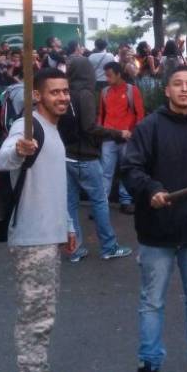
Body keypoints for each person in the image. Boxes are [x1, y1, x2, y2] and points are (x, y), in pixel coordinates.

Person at [121, 66, 187, 372]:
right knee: (152, 301)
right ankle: (149, 361)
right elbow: (131, 169)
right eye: (177, 84)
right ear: (167, 90)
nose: (183, 89)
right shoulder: (149, 127)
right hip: (157, 232)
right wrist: (151, 189)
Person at [0, 68, 77, 372]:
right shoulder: (26, 126)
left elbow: (57, 185)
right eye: (55, 92)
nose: (63, 97)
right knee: (34, 313)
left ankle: (38, 367)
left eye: (65, 91)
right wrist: (17, 149)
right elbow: (1, 160)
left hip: (49, 235)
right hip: (31, 237)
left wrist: (67, 225)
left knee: (45, 310)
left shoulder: (53, 129)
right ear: (37, 96)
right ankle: (30, 370)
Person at [62, 54, 132, 262]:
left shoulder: (65, 93)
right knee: (100, 201)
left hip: (66, 157)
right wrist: (118, 133)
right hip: (86, 157)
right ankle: (109, 247)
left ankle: (74, 250)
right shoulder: (85, 94)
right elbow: (90, 127)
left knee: (71, 205)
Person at [98, 61, 145, 214]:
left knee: (125, 170)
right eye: (106, 75)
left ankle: (125, 201)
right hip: (109, 137)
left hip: (127, 137)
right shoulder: (105, 92)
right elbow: (101, 114)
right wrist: (101, 131)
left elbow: (140, 115)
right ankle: (102, 204)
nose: (107, 78)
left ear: (118, 74)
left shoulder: (132, 91)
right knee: (106, 171)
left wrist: (134, 132)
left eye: (109, 75)